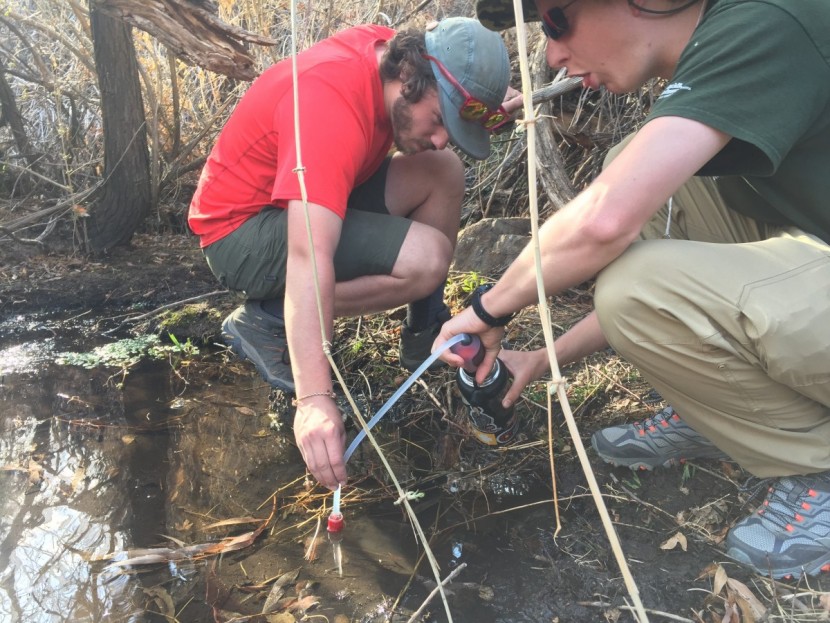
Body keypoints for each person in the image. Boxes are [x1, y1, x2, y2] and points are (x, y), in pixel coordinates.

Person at [436, 0, 830, 578]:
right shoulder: (727, 33)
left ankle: (816, 465)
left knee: (632, 278)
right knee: (643, 174)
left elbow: (604, 222)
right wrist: (542, 358)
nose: (553, 54)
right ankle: (726, 409)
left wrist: (489, 308)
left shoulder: (766, 23)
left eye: (555, 22)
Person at [188, 17, 512, 491]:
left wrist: (477, 114)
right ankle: (266, 318)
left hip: (298, 199)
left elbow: (440, 108)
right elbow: (307, 255)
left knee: (442, 168)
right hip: (241, 233)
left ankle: (426, 328)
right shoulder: (327, 103)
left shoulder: (386, 55)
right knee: (426, 259)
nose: (442, 135)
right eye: (440, 121)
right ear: (409, 77)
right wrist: (314, 398)